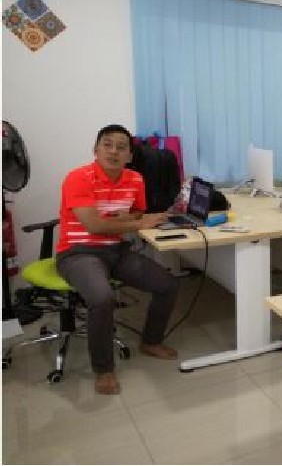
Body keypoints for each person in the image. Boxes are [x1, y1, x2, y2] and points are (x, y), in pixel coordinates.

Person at [55, 124, 179, 395]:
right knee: (102, 298)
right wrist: (137, 223)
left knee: (167, 285)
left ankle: (150, 341)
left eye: (121, 147)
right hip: (78, 253)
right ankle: (103, 369)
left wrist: (139, 218)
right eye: (107, 144)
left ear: (130, 155)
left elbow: (137, 212)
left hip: (116, 250)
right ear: (95, 150)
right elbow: (94, 226)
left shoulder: (135, 179)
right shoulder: (78, 178)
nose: (114, 151)